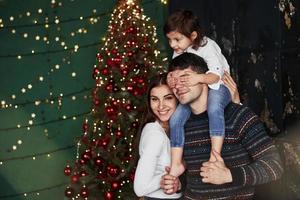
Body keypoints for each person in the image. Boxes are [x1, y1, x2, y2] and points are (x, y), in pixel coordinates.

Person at [160, 52, 283, 199]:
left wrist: (229, 175)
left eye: (185, 78)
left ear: (205, 79)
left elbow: (275, 166)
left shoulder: (238, 116)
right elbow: (193, 174)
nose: (178, 86)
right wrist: (178, 184)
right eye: (174, 81)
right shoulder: (179, 125)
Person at [163, 10, 232, 177]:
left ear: (193, 35)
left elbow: (216, 76)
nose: (173, 45)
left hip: (219, 86)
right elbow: (174, 70)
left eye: (177, 39)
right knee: (176, 119)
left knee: (214, 108)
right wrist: (170, 78)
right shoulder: (180, 50)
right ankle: (177, 163)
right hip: (197, 92)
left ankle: (215, 155)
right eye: (170, 40)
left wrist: (196, 79)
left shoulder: (207, 46)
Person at [133, 73, 182, 199]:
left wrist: (177, 182)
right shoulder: (155, 134)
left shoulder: (175, 128)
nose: (161, 106)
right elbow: (140, 188)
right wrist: (167, 177)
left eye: (168, 98)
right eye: (155, 99)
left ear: (177, 98)